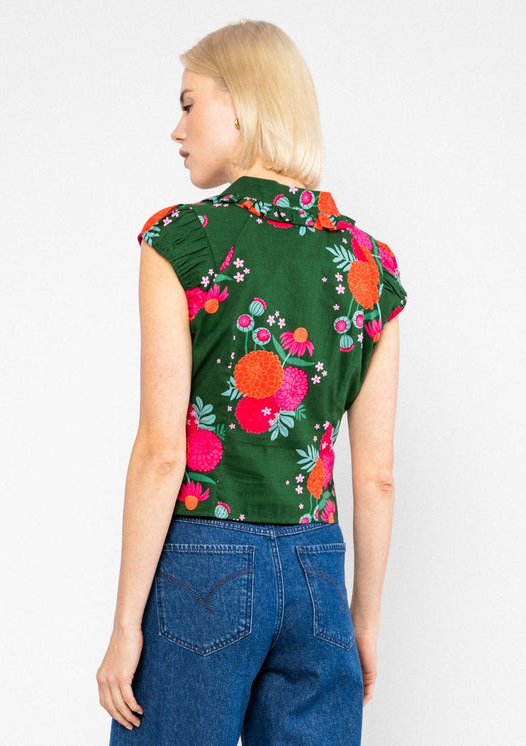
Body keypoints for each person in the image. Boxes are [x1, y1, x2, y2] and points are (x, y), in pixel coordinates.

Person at [96, 19, 407, 746]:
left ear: (241, 103)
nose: (177, 130)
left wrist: (124, 626)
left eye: (188, 103)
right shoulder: (370, 267)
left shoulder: (183, 241)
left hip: (203, 565)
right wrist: (361, 622)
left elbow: (162, 453)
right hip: (317, 567)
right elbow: (378, 476)